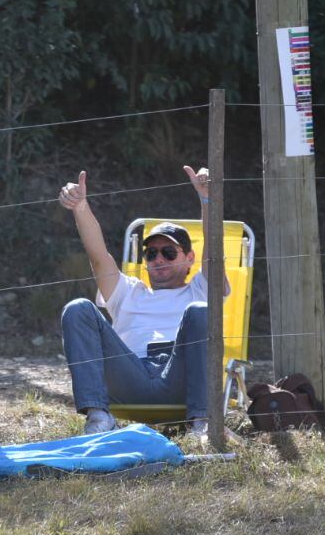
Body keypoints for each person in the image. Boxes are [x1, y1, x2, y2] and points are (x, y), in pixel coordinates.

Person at [57, 165, 222, 436]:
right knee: (77, 309)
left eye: (169, 252)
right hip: (130, 376)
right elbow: (98, 256)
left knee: (200, 312)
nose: (158, 259)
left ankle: (203, 421)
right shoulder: (128, 291)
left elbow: (215, 252)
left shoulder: (200, 289)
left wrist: (207, 199)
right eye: (152, 253)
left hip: (181, 377)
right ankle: (98, 417)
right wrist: (80, 207)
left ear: (190, 259)